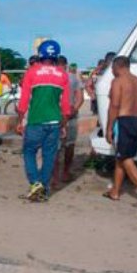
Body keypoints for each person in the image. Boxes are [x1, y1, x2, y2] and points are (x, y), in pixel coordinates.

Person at [17, 40, 71, 201]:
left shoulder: (32, 72)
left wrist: (20, 121)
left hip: (36, 121)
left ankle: (35, 183)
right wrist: (64, 123)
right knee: (49, 156)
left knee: (29, 152)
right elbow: (66, 105)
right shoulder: (63, 75)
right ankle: (44, 189)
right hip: (54, 122)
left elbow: (24, 101)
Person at [104, 56, 137, 208]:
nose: (112, 71)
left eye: (112, 68)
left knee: (125, 158)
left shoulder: (118, 81)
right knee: (121, 157)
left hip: (124, 121)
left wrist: (109, 128)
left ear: (117, 66)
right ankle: (115, 191)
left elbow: (114, 105)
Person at [52, 57, 84, 186]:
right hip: (70, 116)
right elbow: (80, 98)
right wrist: (74, 109)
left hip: (54, 115)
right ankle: (65, 172)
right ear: (66, 65)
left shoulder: (51, 77)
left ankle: (54, 176)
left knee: (54, 147)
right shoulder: (73, 78)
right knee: (69, 145)